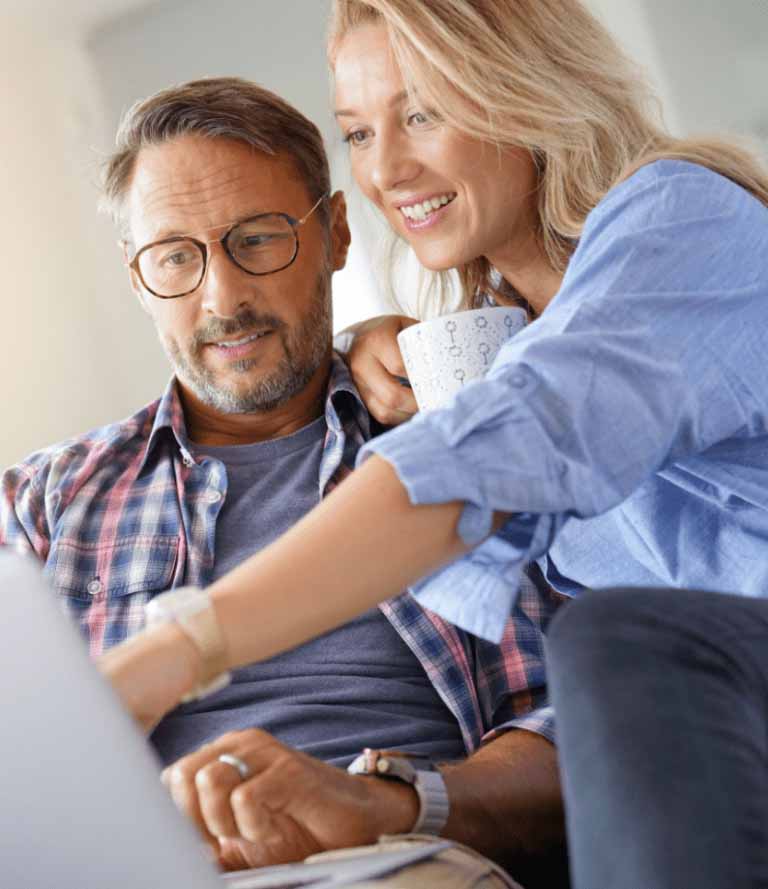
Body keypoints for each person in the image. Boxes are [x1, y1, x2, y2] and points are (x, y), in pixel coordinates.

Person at [99, 3, 768, 886]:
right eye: (359, 132)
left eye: (423, 114)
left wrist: (172, 651)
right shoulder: (491, 348)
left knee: (617, 637)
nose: (388, 168)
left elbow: (513, 439)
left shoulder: (682, 219)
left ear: (528, 92)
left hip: (724, 683)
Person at [0, 77, 567, 882]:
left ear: (335, 233)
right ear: (136, 276)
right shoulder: (43, 505)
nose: (222, 297)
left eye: (259, 239)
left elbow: (573, 738)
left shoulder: (449, 437)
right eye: (174, 257)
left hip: (393, 859)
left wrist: (381, 799)